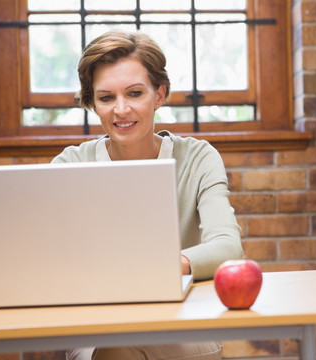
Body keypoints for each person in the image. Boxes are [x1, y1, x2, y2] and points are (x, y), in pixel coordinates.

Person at [52, 30, 244, 360]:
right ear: (92, 103)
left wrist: (164, 266)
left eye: (135, 93)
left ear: (159, 94)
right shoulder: (71, 164)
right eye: (106, 97)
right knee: (116, 343)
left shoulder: (197, 158)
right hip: (97, 324)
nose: (121, 109)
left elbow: (228, 248)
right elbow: (45, 255)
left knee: (125, 343)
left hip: (183, 321)